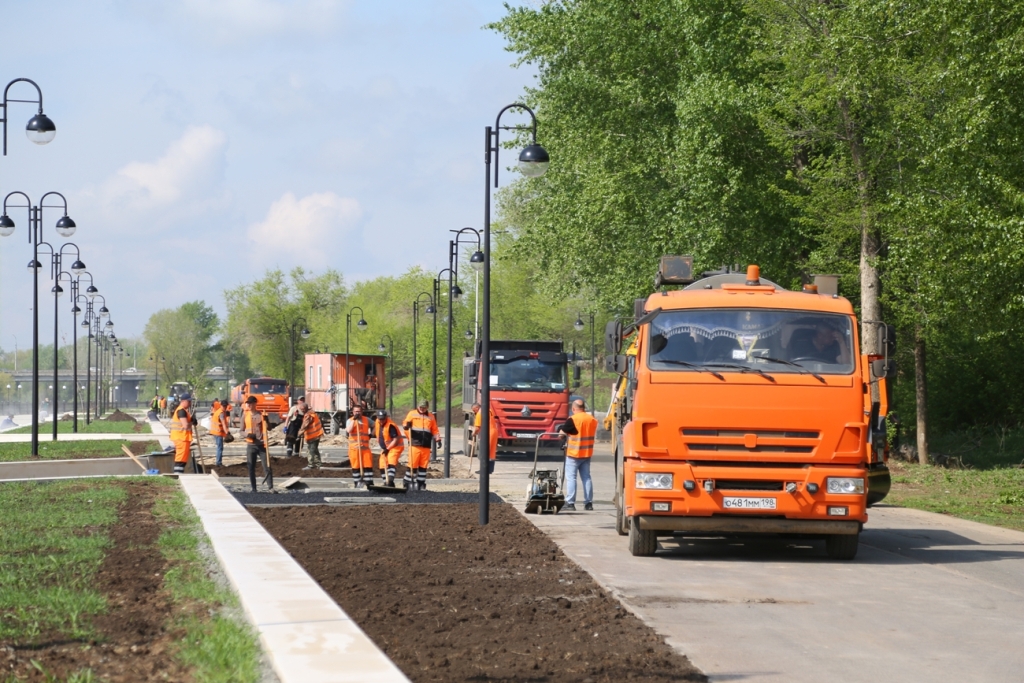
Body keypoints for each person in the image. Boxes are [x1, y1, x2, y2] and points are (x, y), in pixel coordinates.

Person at [558, 398, 597, 511]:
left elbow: (561, 435)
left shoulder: (572, 419)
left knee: (571, 478)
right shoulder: (592, 419)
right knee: (586, 478)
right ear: (584, 408)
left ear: (573, 408)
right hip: (587, 453)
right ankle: (588, 503)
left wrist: (561, 432)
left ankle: (570, 503)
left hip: (574, 454)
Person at [403, 399, 440, 490]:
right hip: (415, 443)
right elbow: (405, 424)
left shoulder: (431, 416)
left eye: (424, 407)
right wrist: (406, 427)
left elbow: (434, 429)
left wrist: (438, 439)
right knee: (413, 464)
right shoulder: (412, 413)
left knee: (423, 465)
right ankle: (407, 481)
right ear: (418, 406)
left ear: (427, 407)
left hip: (426, 444)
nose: (422, 409)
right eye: (420, 407)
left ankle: (420, 483)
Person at [242, 396, 272, 493]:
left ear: (255, 403)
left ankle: (270, 487)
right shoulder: (245, 415)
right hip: (251, 445)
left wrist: (267, 420)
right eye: (248, 403)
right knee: (251, 467)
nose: (249, 405)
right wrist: (247, 434)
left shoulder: (262, 415)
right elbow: (241, 431)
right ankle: (254, 488)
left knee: (267, 466)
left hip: (262, 445)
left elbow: (269, 428)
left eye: (251, 403)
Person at [346, 404, 374, 487]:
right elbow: (349, 430)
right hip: (354, 449)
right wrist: (354, 420)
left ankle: (369, 483)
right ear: (353, 412)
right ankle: (357, 482)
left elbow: (375, 425)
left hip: (365, 448)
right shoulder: (350, 420)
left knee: (368, 465)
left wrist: (371, 435)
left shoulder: (366, 420)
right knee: (356, 466)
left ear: (362, 412)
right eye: (356, 411)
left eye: (359, 411)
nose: (357, 413)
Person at [374, 409, 404, 487]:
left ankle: (390, 482)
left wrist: (388, 449)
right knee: (382, 464)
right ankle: (385, 482)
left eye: (383, 419)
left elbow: (396, 440)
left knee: (391, 461)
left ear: (386, 417)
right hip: (386, 448)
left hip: (395, 447)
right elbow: (376, 429)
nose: (381, 421)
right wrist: (371, 435)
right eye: (380, 419)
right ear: (377, 417)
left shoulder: (391, 426)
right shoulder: (377, 422)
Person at [170, 393, 197, 474]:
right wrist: (192, 422)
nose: (190, 403)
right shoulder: (181, 411)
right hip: (181, 438)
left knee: (183, 458)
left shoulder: (184, 411)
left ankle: (179, 473)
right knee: (180, 459)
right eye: (189, 402)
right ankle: (178, 474)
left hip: (183, 438)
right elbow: (185, 426)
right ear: (183, 401)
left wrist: (191, 420)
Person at [471, 401, 498, 474]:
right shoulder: (489, 410)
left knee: (484, 451)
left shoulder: (480, 413)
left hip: (488, 433)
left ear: (477, 407)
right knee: (491, 452)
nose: (474, 412)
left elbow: (477, 427)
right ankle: (490, 469)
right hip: (494, 431)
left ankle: (483, 469)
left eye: (474, 410)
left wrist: (473, 433)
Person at [298, 403, 325, 470]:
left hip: (313, 436)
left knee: (310, 450)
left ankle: (311, 465)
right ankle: (318, 464)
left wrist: (299, 433)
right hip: (316, 435)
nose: (302, 411)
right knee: (315, 450)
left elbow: (305, 425)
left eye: (303, 409)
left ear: (306, 408)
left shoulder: (308, 415)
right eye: (301, 409)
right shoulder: (311, 413)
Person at [209, 398, 229, 467]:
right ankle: (218, 463)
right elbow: (223, 423)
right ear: (221, 405)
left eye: (226, 406)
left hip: (215, 432)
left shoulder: (219, 411)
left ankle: (218, 462)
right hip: (218, 432)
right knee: (220, 448)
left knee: (219, 447)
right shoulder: (221, 413)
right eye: (224, 406)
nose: (225, 407)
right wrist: (227, 433)